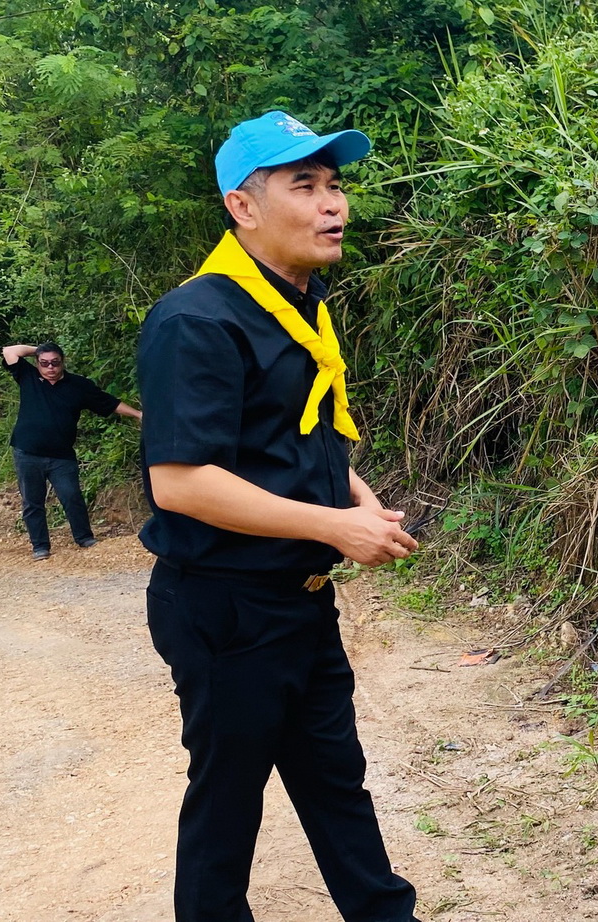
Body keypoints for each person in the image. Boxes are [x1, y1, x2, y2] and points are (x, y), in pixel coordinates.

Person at [136, 111, 422, 922]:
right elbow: (182, 482)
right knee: (228, 802)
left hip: (299, 599)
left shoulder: (294, 304)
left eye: (334, 184)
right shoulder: (198, 319)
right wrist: (332, 527)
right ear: (243, 206)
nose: (333, 203)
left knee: (336, 781)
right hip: (224, 606)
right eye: (305, 185)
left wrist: (355, 497)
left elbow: (286, 437)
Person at [0, 341, 141, 559]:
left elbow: (108, 402)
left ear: (63, 362)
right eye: (44, 363)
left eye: (55, 362)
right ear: (37, 363)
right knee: (32, 502)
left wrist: (138, 414)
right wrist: (39, 349)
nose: (50, 367)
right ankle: (40, 546)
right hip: (27, 452)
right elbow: (9, 351)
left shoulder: (78, 385)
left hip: (62, 455)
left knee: (72, 496)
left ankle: (84, 538)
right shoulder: (28, 376)